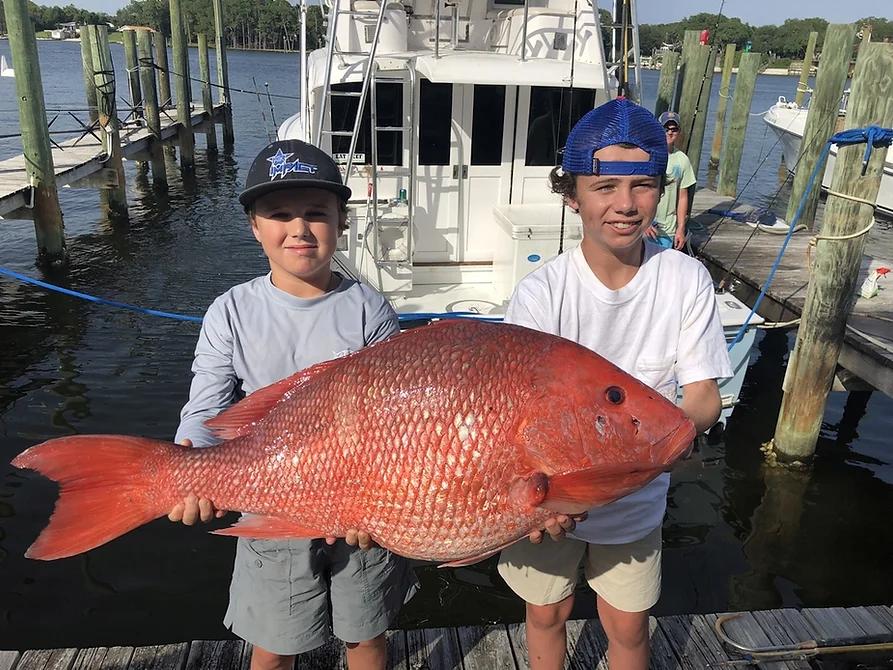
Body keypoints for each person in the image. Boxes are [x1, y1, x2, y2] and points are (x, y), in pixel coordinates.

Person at [497, 98, 733, 670]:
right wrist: (535, 500)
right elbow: (511, 421)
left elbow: (704, 396)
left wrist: (658, 444)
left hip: (637, 499)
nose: (625, 205)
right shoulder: (541, 294)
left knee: (628, 628)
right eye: (604, 186)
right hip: (548, 497)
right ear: (572, 194)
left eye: (642, 185)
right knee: (546, 615)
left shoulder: (683, 276)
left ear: (661, 186)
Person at [168, 139, 417, 670]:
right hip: (270, 506)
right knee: (275, 645)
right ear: (254, 226)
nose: (299, 229)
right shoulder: (230, 311)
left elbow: (390, 425)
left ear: (342, 222)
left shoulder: (369, 309)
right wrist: (188, 463)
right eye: (279, 215)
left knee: (367, 638)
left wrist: (378, 501)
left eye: (316, 214)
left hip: (360, 506)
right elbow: (206, 407)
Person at [647, 111, 697, 251]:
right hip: (647, 228)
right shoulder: (647, 155)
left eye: (674, 129)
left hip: (668, 230)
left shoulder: (682, 160)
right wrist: (643, 222)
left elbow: (682, 197)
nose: (670, 132)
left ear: (678, 132)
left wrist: (680, 228)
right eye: (665, 128)